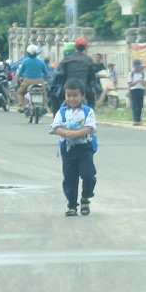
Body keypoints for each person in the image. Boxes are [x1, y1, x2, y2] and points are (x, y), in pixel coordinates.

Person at [49, 79, 97, 217]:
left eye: (75, 95)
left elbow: (90, 127)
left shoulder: (88, 111)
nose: (72, 99)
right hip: (68, 149)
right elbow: (55, 127)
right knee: (70, 178)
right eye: (68, 95)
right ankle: (72, 206)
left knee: (88, 175)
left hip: (84, 149)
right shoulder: (62, 112)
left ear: (82, 96)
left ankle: (86, 197)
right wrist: (67, 134)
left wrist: (77, 134)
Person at [56, 37, 96, 101]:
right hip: (84, 88)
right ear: (85, 47)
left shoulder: (67, 59)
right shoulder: (88, 60)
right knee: (91, 101)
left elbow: (59, 72)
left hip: (68, 87)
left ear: (75, 47)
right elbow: (92, 75)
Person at [127, 59, 146, 125]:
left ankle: (139, 119)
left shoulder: (143, 73)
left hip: (141, 90)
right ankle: (135, 120)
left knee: (140, 105)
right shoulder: (131, 73)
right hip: (133, 90)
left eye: (139, 67)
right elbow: (130, 84)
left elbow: (145, 83)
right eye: (137, 67)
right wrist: (137, 81)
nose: (138, 68)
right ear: (134, 67)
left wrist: (141, 81)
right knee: (134, 105)